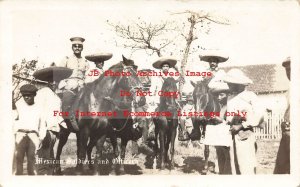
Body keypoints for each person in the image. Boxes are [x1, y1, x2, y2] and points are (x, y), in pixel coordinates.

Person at [33, 64, 72, 174]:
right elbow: (38, 112)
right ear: (48, 81)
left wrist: (64, 125)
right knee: (42, 161)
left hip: (54, 131)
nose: (55, 83)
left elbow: (57, 114)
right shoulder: (42, 93)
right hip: (44, 131)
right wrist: (41, 133)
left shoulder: (56, 97)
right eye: (52, 80)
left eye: (57, 81)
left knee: (50, 159)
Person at [223, 68, 264, 174]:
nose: (229, 86)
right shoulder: (230, 97)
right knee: (233, 166)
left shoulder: (250, 96)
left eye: (231, 83)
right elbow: (228, 117)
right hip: (232, 135)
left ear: (239, 83)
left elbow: (259, 115)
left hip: (245, 134)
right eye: (228, 83)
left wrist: (242, 125)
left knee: (246, 165)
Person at [189, 51, 228, 141]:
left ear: (217, 63)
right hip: (207, 94)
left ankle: (226, 124)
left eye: (214, 61)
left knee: (227, 108)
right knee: (196, 108)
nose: (212, 63)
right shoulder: (205, 72)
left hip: (219, 95)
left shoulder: (221, 73)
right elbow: (202, 83)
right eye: (210, 61)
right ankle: (196, 131)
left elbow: (225, 84)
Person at [14, 84, 47, 175]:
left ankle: (32, 182)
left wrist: (41, 138)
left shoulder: (40, 107)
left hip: (34, 135)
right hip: (20, 134)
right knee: (18, 159)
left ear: (34, 95)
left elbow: (43, 124)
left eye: (29, 95)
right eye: (24, 95)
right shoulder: (18, 105)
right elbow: (13, 119)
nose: (26, 97)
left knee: (32, 160)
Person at [58, 37, 90, 131]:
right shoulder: (66, 59)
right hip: (69, 84)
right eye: (75, 46)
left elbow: (87, 75)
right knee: (66, 103)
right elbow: (60, 72)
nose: (77, 48)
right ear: (72, 48)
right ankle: (67, 119)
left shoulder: (85, 62)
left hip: (81, 85)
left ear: (82, 48)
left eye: (79, 46)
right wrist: (64, 84)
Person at [207, 82, 233, 174]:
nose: (219, 97)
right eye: (218, 95)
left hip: (228, 139)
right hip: (220, 138)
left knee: (228, 160)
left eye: (221, 94)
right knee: (221, 158)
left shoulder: (231, 106)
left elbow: (233, 123)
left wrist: (221, 120)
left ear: (228, 94)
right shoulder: (221, 107)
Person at [274, 57, 290, 174]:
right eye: (287, 70)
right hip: (287, 133)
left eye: (292, 69)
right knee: (282, 166)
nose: (289, 73)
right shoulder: (290, 90)